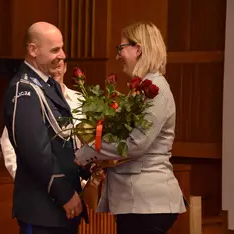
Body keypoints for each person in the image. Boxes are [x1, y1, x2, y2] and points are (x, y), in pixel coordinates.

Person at [75, 21, 187, 234]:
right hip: (138, 202)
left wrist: (87, 153)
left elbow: (135, 144)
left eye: (121, 48)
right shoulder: (143, 88)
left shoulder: (156, 90)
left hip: (147, 202)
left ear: (138, 49)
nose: (118, 56)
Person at [2, 22, 88, 234]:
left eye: (62, 48)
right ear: (33, 50)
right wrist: (65, 194)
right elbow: (36, 153)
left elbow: (63, 143)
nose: (63, 55)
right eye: (55, 50)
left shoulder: (46, 85)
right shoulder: (24, 89)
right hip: (43, 210)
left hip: (58, 210)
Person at [1, 60, 85, 182]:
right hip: (43, 184)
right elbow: (9, 141)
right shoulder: (31, 98)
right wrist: (22, 179)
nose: (56, 70)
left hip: (79, 180)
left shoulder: (80, 100)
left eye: (59, 66)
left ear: (65, 67)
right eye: (52, 66)